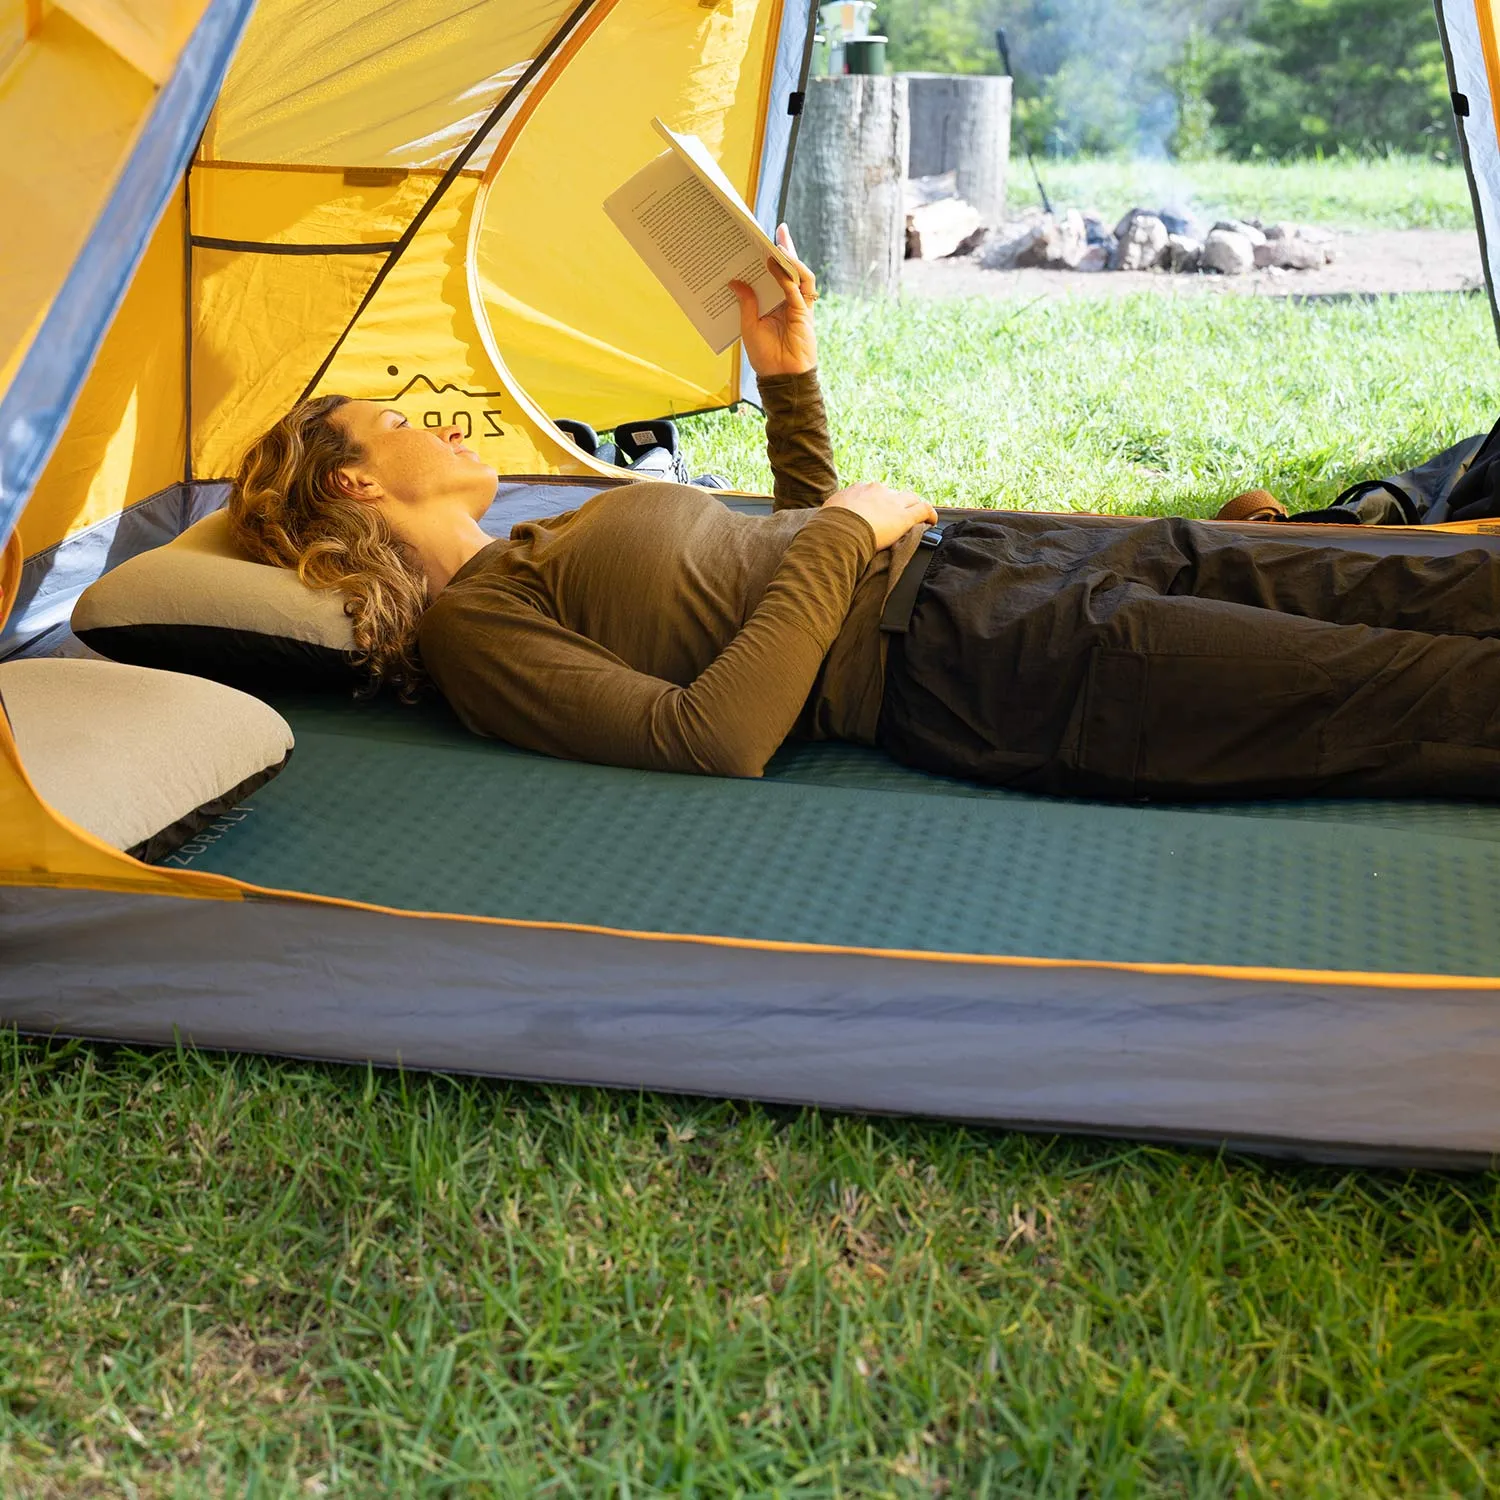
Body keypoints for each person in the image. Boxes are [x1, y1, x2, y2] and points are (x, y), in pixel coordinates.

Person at [229, 227, 1500, 802]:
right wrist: (848, 529)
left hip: (1009, 558)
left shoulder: (540, 542)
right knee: (1408, 687)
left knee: (1404, 581)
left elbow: (775, 553)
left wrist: (789, 378)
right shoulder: (475, 632)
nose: (434, 416)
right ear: (352, 483)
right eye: (396, 419)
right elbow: (713, 735)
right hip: (989, 663)